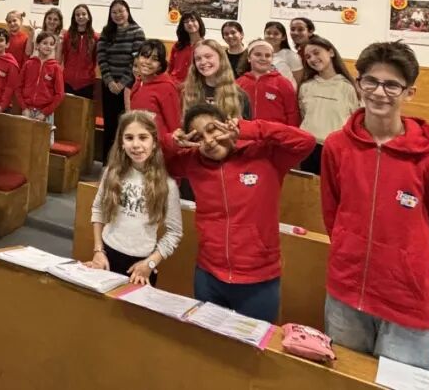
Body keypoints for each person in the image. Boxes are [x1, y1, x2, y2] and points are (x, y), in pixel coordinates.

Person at [322, 42, 429, 372]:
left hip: (406, 304)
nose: (379, 92)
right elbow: (332, 213)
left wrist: (410, 273)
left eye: (392, 85)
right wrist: (348, 251)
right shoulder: (337, 146)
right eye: (370, 81)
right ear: (359, 84)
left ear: (409, 92)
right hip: (345, 294)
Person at [169, 103, 314, 322]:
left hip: (258, 280)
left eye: (212, 130)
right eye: (198, 137)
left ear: (227, 125)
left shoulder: (265, 155)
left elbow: (306, 142)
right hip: (209, 275)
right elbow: (156, 158)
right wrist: (172, 142)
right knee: (208, 340)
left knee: (255, 343)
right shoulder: (193, 162)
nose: (208, 141)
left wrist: (249, 128)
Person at [87, 111, 183, 286]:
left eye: (143, 138)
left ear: (154, 142)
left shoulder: (167, 185)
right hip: (106, 256)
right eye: (129, 138)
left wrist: (151, 262)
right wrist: (98, 250)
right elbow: (98, 209)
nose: (136, 145)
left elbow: (174, 232)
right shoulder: (111, 173)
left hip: (141, 266)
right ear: (122, 143)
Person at [298, 36, 360, 174]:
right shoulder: (306, 86)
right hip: (308, 148)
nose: (312, 59)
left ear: (331, 52)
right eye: (308, 57)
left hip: (335, 149)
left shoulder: (348, 87)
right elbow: (304, 115)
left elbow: (356, 122)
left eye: (316, 53)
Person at [96, 0, 146, 162]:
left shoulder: (137, 32)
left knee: (127, 126)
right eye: (114, 12)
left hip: (128, 87)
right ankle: (107, 164)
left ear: (128, 12)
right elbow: (101, 57)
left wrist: (123, 83)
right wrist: (109, 81)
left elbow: (136, 61)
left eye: (121, 11)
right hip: (108, 85)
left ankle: (124, 163)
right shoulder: (106, 32)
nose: (118, 15)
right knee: (110, 125)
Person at [128, 40, 182, 151]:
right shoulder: (137, 83)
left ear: (160, 66)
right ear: (137, 58)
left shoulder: (166, 87)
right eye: (144, 56)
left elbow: (175, 126)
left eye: (154, 59)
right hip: (139, 147)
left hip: (159, 149)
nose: (148, 62)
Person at [182, 39, 252, 121]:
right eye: (198, 59)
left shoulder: (239, 95)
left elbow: (246, 126)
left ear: (221, 58)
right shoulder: (188, 93)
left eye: (208, 56)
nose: (203, 62)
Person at [236, 39, 301, 125]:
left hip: (276, 133)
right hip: (246, 132)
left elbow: (293, 114)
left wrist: (289, 133)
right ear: (248, 58)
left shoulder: (283, 83)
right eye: (258, 54)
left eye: (267, 56)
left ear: (272, 59)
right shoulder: (238, 84)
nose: (263, 58)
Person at [17, 31, 65, 140]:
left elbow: (59, 94)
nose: (48, 46)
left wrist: (45, 113)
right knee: (24, 142)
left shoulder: (56, 68)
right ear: (37, 45)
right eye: (45, 43)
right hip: (27, 111)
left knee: (43, 144)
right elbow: (18, 87)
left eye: (51, 44)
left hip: (45, 114)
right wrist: (24, 108)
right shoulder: (28, 64)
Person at [61, 4, 98, 98]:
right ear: (74, 18)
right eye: (77, 15)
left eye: (83, 14)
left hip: (87, 83)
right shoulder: (67, 36)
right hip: (67, 81)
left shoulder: (95, 38)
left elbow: (95, 59)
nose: (80, 17)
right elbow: (64, 56)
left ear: (88, 17)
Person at [168, 11, 204, 89]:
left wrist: (186, 85)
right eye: (186, 22)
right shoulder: (177, 45)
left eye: (193, 20)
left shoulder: (206, 46)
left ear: (199, 22)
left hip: (193, 88)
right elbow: (170, 67)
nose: (190, 23)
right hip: (172, 85)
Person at [265, 21, 304, 88]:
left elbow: (298, 82)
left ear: (283, 37)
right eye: (268, 33)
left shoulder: (291, 56)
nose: (271, 36)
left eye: (276, 34)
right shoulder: (259, 55)